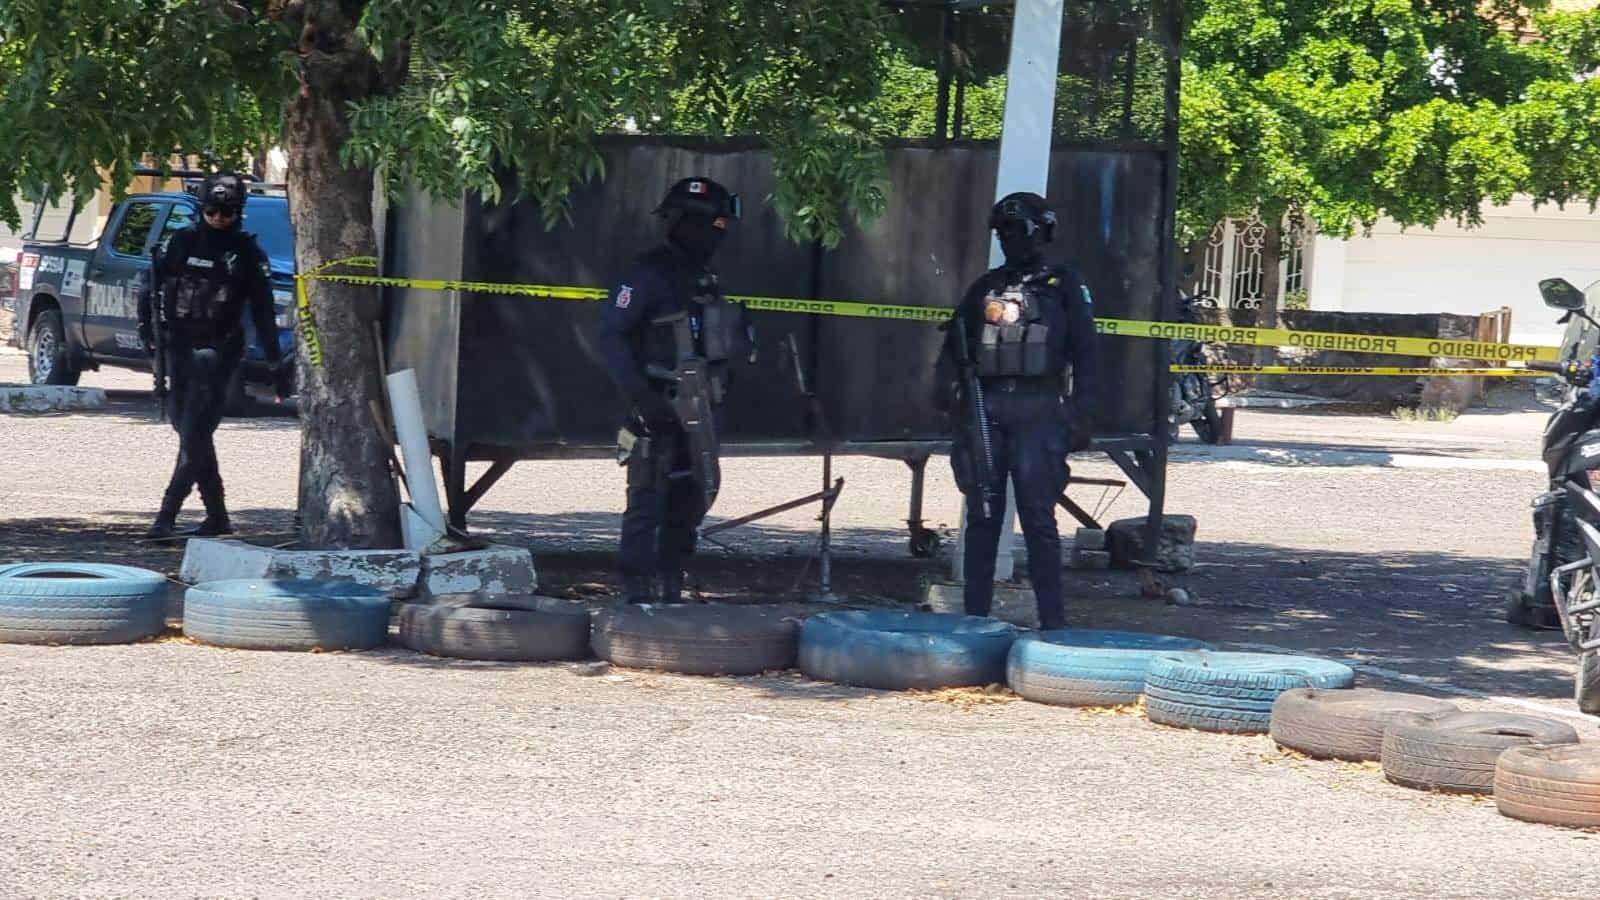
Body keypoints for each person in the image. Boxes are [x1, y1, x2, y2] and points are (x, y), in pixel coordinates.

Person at [939, 191, 1098, 631]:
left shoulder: (1064, 285)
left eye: (1019, 229)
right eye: (1004, 231)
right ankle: (975, 623)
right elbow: (953, 349)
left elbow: (1087, 351)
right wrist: (952, 404)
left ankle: (1053, 626)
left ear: (1041, 231)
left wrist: (1083, 413)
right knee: (983, 516)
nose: (1010, 238)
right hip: (987, 408)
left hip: (1039, 409)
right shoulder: (985, 287)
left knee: (1038, 519)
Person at [598, 177, 748, 604]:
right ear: (683, 222)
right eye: (713, 225)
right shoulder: (646, 274)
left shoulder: (705, 276)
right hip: (656, 408)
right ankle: (637, 595)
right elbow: (612, 338)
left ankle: (670, 585)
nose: (719, 234)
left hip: (701, 410)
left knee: (691, 499)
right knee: (647, 500)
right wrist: (642, 397)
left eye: (723, 226)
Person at [140, 171, 288, 539]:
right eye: (212, 211)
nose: (219, 218)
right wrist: (147, 333)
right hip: (178, 347)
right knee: (189, 430)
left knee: (194, 432)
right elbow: (149, 287)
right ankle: (217, 516)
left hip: (219, 352)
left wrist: (274, 362)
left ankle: (166, 514)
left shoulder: (247, 253)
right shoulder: (182, 241)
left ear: (239, 212)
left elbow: (264, 311)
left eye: (227, 212)